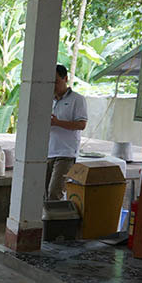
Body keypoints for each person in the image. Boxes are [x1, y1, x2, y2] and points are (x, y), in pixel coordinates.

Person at [47, 64, 88, 200]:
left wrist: (58, 123)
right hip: (47, 152)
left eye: (56, 82)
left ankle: (53, 221)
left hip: (65, 154)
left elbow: (81, 124)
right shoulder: (47, 100)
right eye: (50, 82)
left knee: (54, 192)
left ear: (65, 79)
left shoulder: (77, 99)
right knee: (41, 193)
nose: (53, 86)